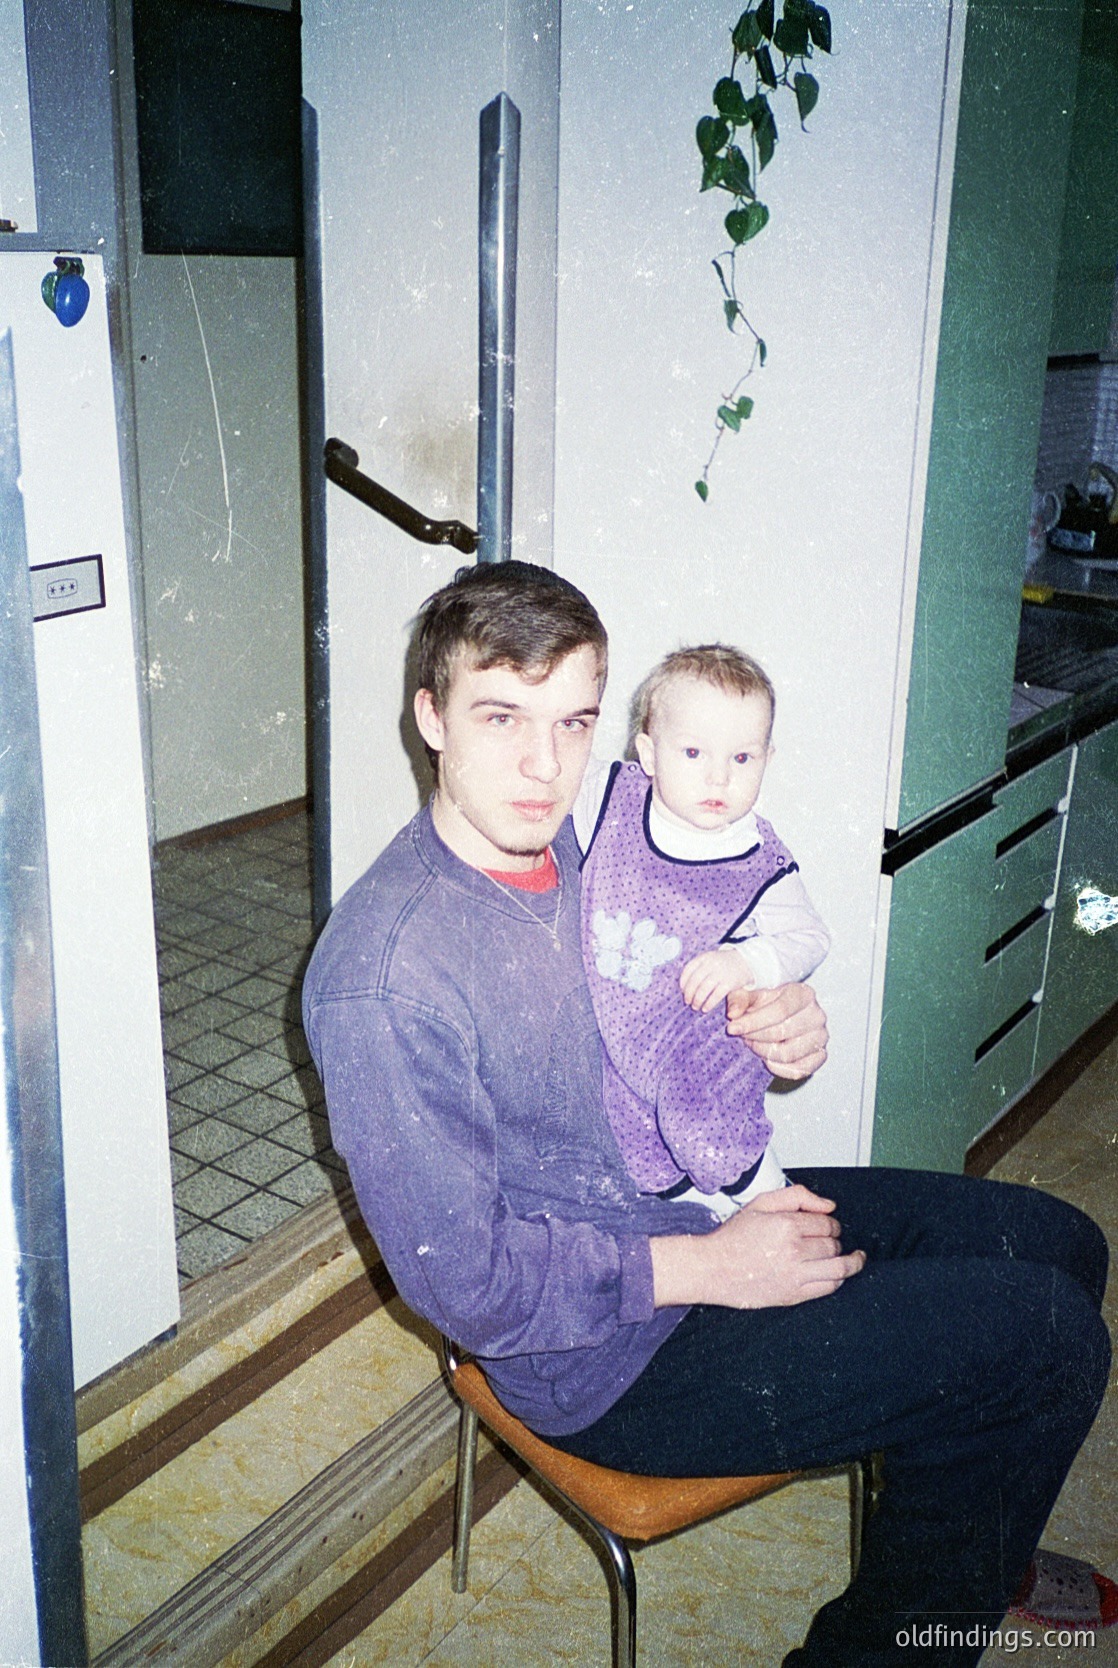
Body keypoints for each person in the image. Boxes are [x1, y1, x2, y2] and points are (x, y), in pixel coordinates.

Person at [302, 561, 1110, 1665]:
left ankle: (970, 1549)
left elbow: (690, 992)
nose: (544, 766)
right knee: (1043, 1341)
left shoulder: (586, 842)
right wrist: (715, 1268)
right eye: (501, 717)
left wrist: (779, 1021)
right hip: (605, 1352)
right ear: (430, 717)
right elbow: (468, 1288)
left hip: (680, 1204)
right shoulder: (387, 979)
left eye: (573, 720)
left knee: (1062, 1245)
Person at [575, 644, 829, 1219]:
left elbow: (809, 936)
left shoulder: (758, 858)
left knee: (703, 1119)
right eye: (693, 752)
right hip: (624, 1038)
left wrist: (747, 963)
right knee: (636, 1149)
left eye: (742, 758)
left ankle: (772, 1201)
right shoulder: (609, 800)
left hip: (705, 1035)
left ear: (767, 758)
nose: (719, 776)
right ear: (648, 752)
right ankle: (707, 1213)